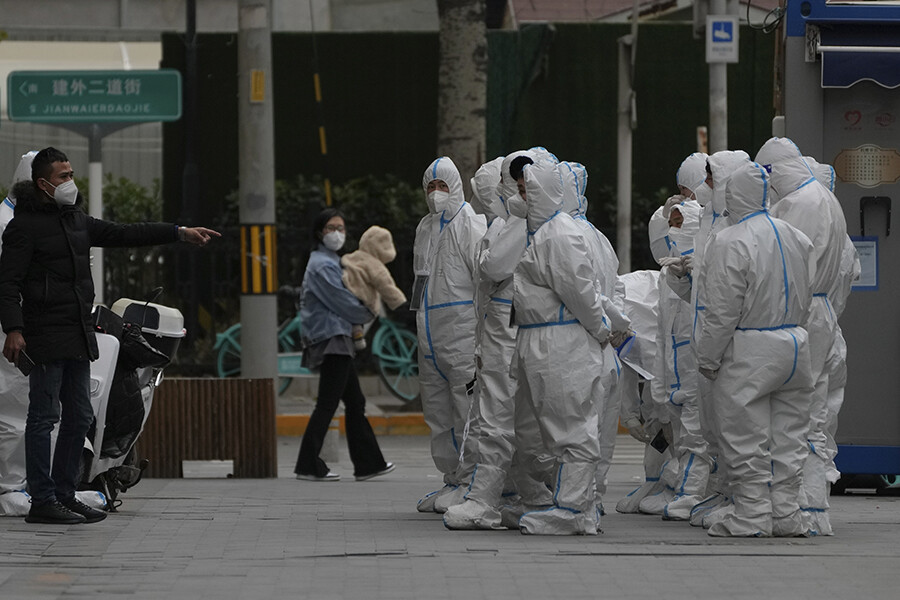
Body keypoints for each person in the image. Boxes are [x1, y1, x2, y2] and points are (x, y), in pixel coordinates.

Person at [0, 146, 220, 525]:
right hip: (45, 334)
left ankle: (65, 493)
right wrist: (14, 330)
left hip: (78, 332)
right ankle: (42, 500)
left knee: (80, 415)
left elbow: (124, 234)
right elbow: (7, 283)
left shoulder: (77, 221)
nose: (71, 181)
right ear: (42, 184)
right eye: (63, 177)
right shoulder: (23, 227)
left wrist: (178, 233)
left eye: (71, 174)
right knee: (43, 416)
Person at [695, 160, 815, 537]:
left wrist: (708, 357)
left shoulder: (730, 241)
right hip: (796, 345)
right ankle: (785, 513)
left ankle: (751, 514)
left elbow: (721, 309)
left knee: (745, 437)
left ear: (732, 195)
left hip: (750, 348)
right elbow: (808, 290)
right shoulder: (795, 236)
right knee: (789, 437)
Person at [511, 158, 614, 535]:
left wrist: (601, 330)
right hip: (546, 338)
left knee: (571, 426)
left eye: (529, 191)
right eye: (521, 190)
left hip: (561, 340)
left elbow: (582, 292)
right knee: (560, 426)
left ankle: (572, 509)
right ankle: (580, 508)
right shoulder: (545, 233)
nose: (523, 197)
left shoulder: (558, 234)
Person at [754, 137, 849, 536]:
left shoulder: (798, 204)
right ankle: (811, 506)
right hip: (821, 312)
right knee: (814, 408)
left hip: (800, 313)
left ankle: (802, 508)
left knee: (795, 412)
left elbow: (782, 265)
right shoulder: (824, 198)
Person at [293, 208, 395, 483]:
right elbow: (341, 300)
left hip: (337, 338)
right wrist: (367, 312)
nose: (337, 233)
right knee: (329, 403)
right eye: (331, 228)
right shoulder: (322, 265)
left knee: (354, 401)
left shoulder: (332, 261)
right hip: (331, 338)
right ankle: (309, 464)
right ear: (319, 232)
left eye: (341, 228)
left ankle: (368, 464)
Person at [413, 157, 486, 513]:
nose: (436, 194)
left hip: (461, 334)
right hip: (429, 335)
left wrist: (480, 336)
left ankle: (472, 480)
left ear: (456, 187)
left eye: (443, 186)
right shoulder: (425, 227)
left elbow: (482, 280)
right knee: (439, 412)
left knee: (466, 409)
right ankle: (451, 479)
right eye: (431, 187)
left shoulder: (469, 224)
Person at [0, 151, 37, 516]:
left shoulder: (27, 220)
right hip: (13, 333)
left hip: (33, 330)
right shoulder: (7, 223)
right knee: (13, 408)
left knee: (31, 410)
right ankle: (10, 487)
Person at [339, 225, 408, 349]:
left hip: (344, 292)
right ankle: (357, 335)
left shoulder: (354, 255)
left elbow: (343, 262)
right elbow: (387, 287)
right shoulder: (376, 266)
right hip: (361, 298)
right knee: (362, 311)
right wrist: (400, 303)